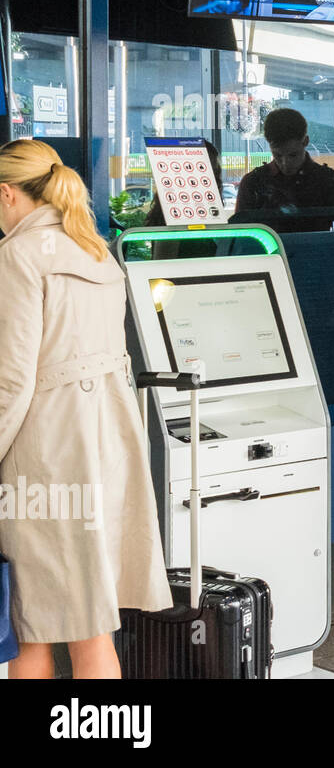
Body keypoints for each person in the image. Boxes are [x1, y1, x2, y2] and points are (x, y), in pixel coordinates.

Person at [0, 139, 172, 678]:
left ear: (6, 194)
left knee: (34, 627)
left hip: (47, 453)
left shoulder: (18, 255)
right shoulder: (96, 250)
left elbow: (12, 379)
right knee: (93, 629)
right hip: (110, 444)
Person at [234, 108, 334, 224]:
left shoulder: (254, 183)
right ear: (270, 146)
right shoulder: (330, 181)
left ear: (305, 141)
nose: (285, 163)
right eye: (278, 155)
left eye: (293, 155)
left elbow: (242, 234)